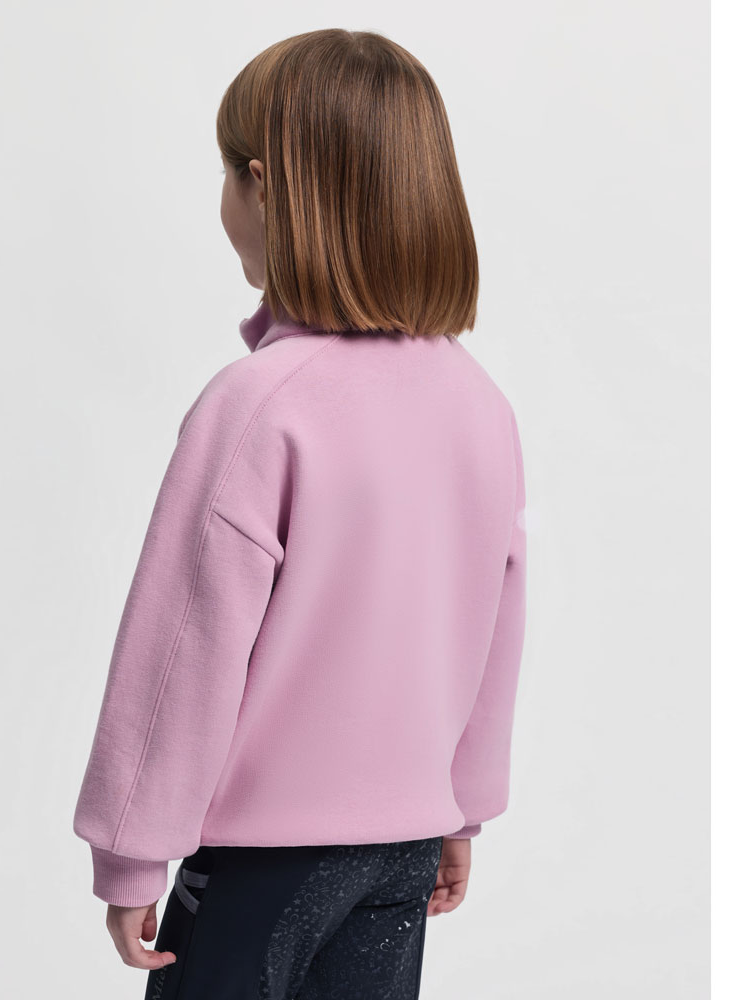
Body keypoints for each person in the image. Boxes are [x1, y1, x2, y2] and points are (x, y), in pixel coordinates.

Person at [73, 27, 527, 999]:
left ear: (264, 185)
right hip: (402, 851)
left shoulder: (258, 406)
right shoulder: (481, 406)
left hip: (259, 863)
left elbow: (180, 651)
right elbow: (492, 629)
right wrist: (463, 807)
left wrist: (131, 850)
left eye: (225, 174)